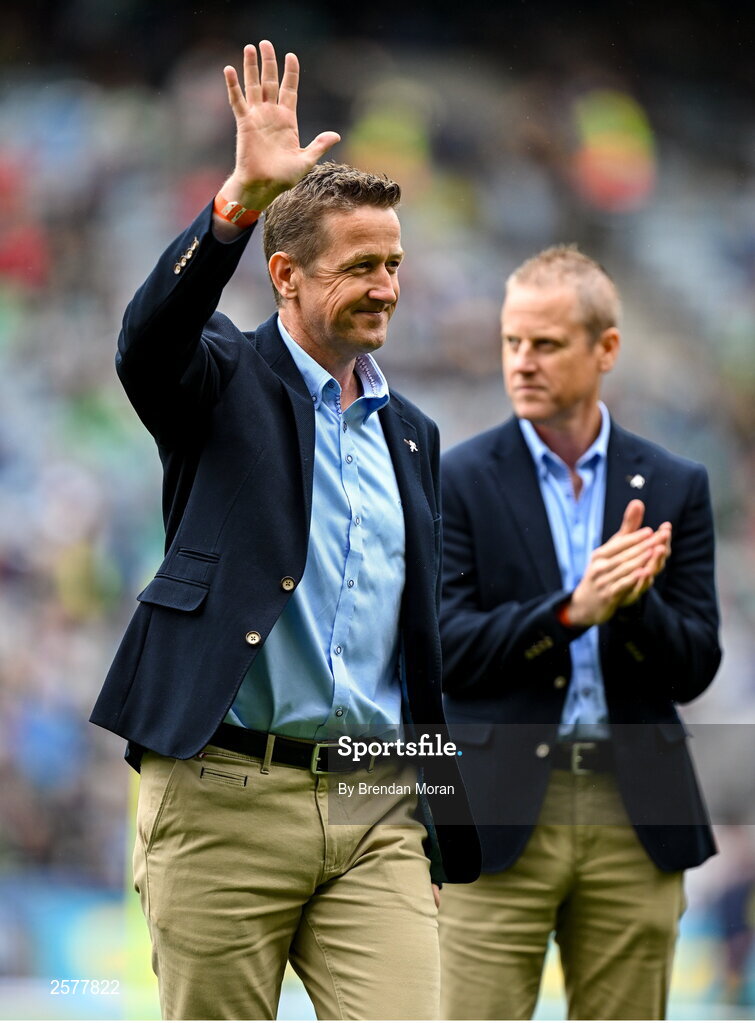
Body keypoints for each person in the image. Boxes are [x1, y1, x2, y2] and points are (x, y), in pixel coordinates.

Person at [90, 41, 479, 1021]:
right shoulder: (218, 381)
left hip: (375, 803)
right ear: (285, 277)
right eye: (358, 266)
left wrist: (444, 828)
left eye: (393, 263)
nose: (386, 285)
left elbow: (418, 659)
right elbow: (149, 337)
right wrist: (234, 205)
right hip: (225, 793)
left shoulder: (417, 439)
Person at [437, 245, 721, 1021]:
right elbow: (445, 651)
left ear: (606, 350)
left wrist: (630, 604)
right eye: (510, 342)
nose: (521, 362)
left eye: (546, 344)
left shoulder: (674, 484)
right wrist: (570, 612)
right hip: (493, 814)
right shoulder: (454, 477)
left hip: (636, 812)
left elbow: (695, 664)